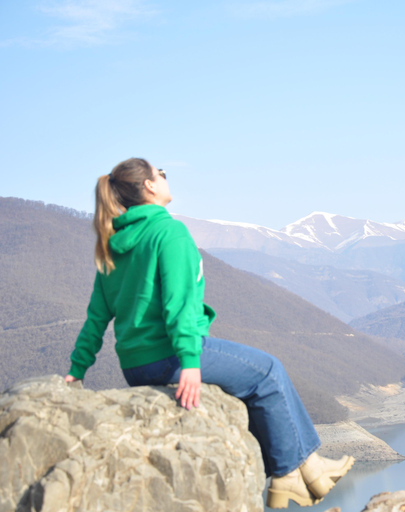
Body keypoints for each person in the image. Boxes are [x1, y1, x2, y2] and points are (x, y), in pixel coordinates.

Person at [65, 157, 353, 509]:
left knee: (260, 375)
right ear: (149, 186)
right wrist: (189, 362)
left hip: (135, 366)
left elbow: (96, 317)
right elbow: (179, 305)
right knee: (268, 372)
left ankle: (304, 469)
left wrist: (76, 371)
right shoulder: (168, 233)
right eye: (161, 173)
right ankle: (290, 473)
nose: (166, 178)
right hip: (171, 355)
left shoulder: (115, 243)